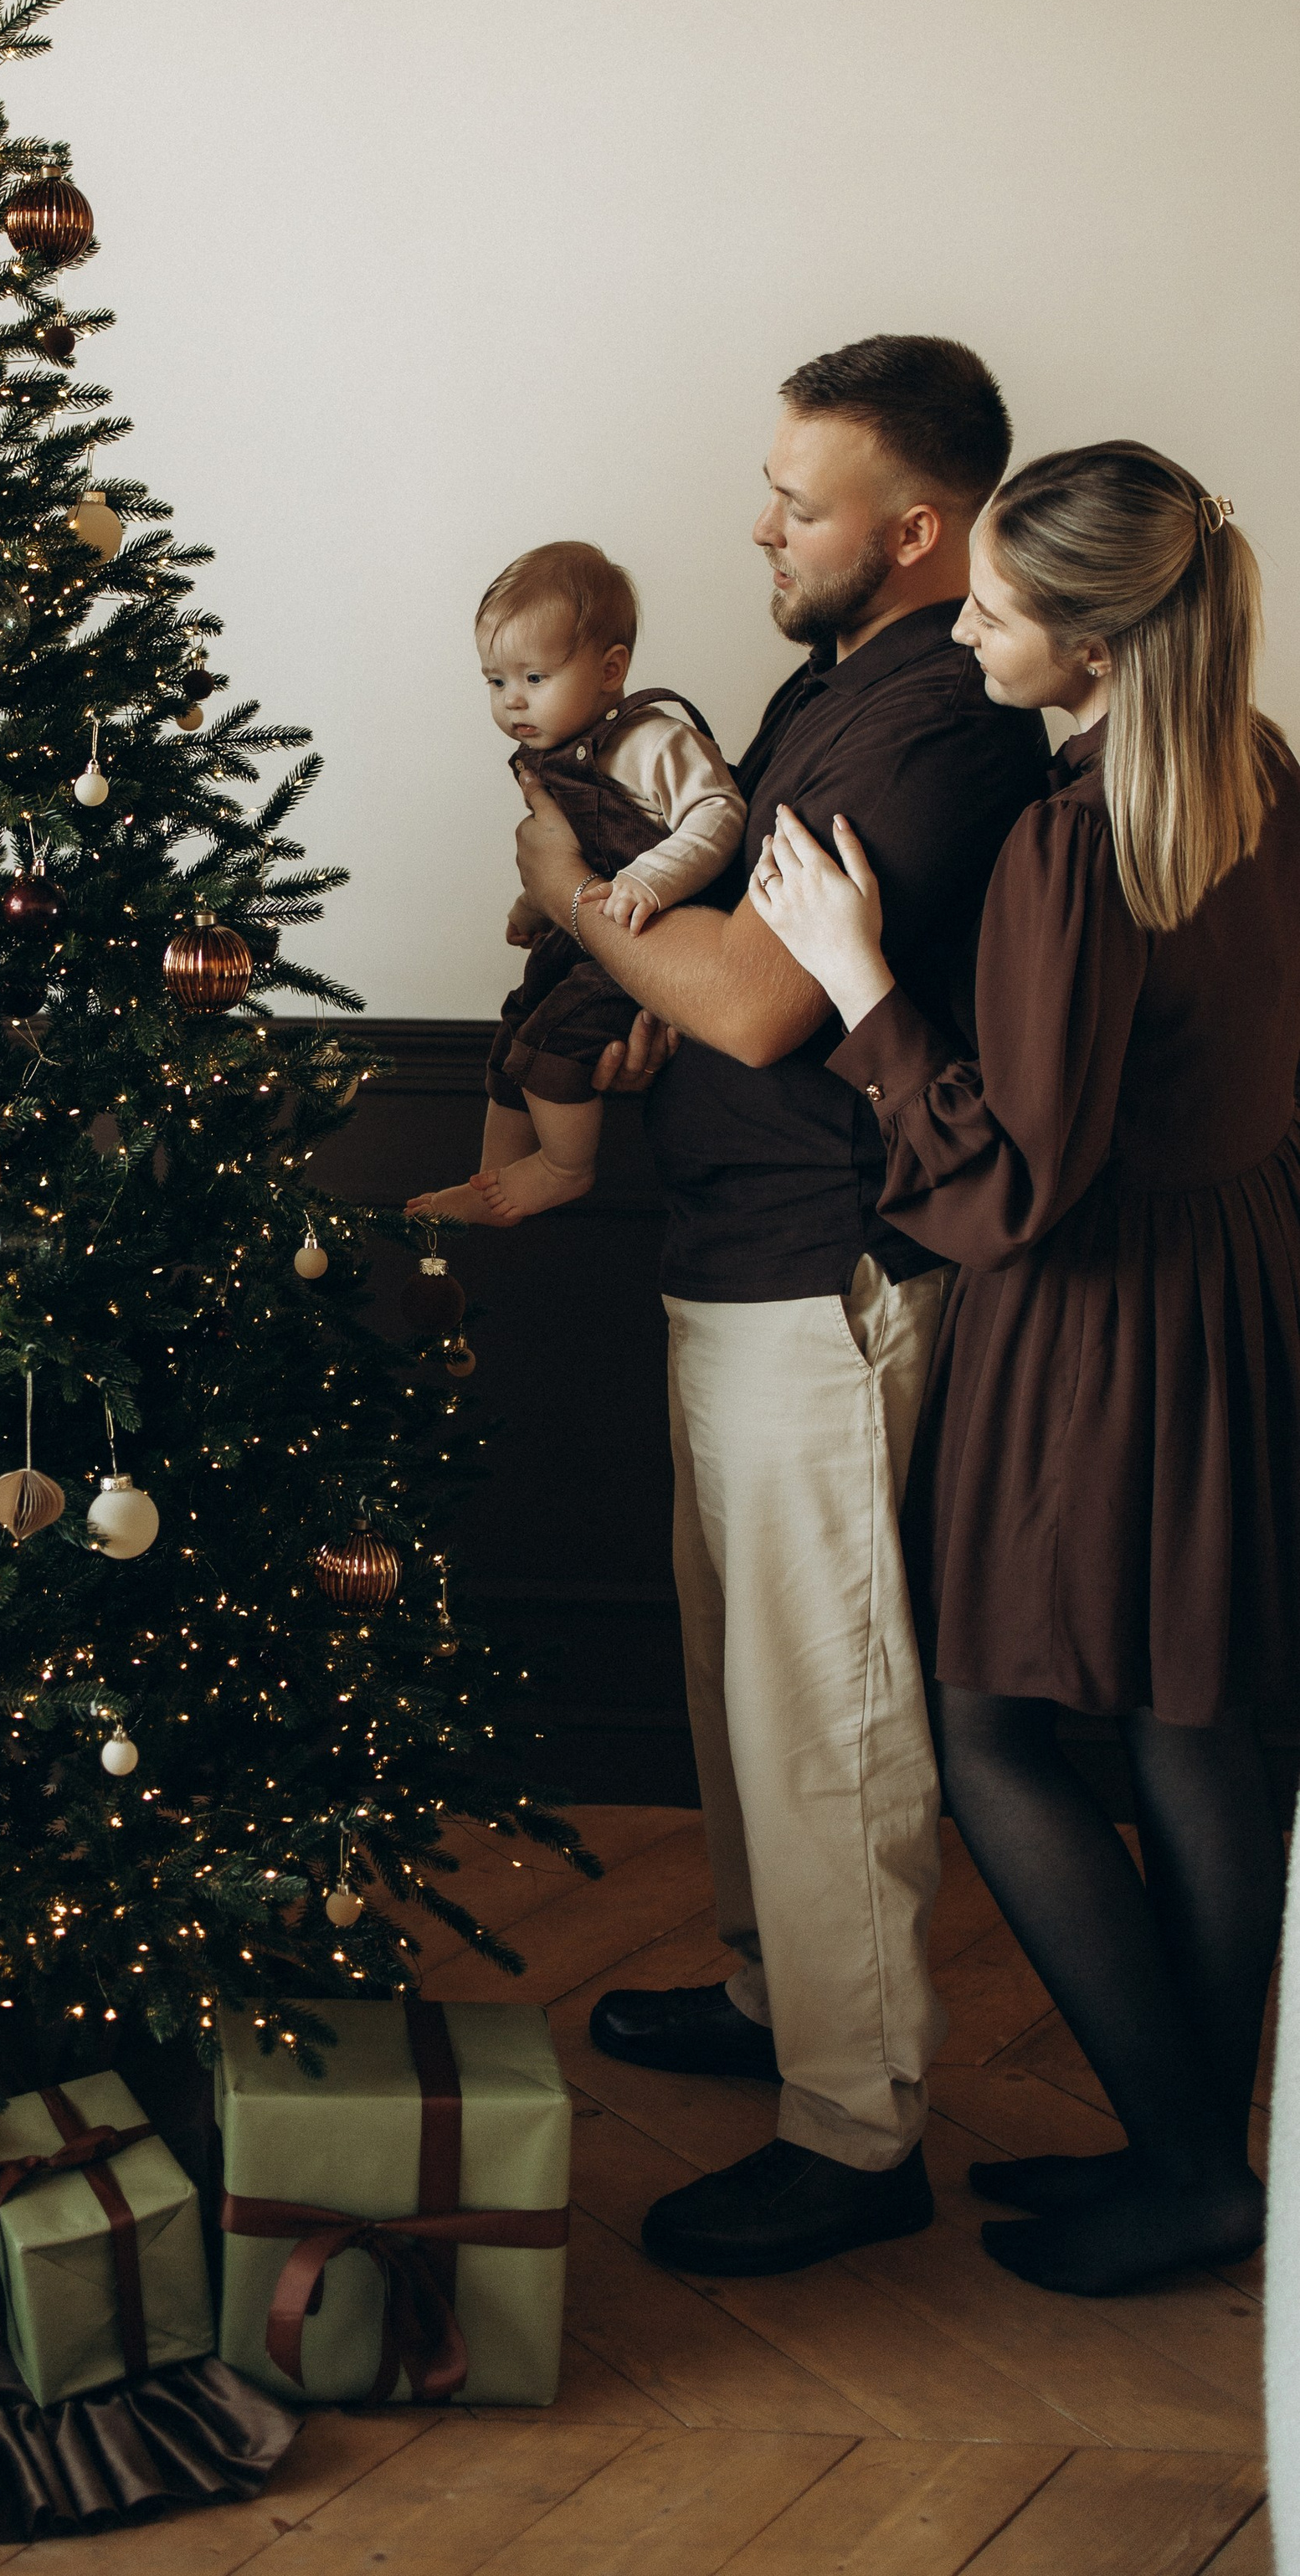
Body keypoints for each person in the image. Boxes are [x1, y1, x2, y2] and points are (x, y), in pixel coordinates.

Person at [513, 335, 1051, 2278]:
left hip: (823, 1276)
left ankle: (855, 2123)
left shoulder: (928, 724)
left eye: (794, 496)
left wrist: (574, 902)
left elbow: (750, 996)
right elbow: (729, 967)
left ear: (911, 528)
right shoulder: (836, 684)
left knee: (818, 1706)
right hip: (724, 1248)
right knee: (732, 1678)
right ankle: (767, 2001)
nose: (757, 520)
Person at [750, 440, 1297, 2298]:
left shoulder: (1075, 843)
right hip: (1235, 1283)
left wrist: (852, 979)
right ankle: (1195, 2158)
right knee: (1192, 1723)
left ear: (1085, 643)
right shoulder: (1257, 772)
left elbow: (1008, 1180)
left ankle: (1183, 2166)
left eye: (988, 608)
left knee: (991, 1726)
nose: (961, 631)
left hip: (1098, 1322)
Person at [410, 539, 743, 1223]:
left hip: (653, 936)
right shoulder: (553, 757)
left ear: (610, 669)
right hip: (586, 923)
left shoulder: (653, 741)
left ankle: (566, 1167)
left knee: (555, 1039)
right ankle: (492, 1179)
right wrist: (532, 904)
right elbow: (566, 853)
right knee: (518, 1022)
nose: (512, 702)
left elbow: (719, 814)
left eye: (534, 678)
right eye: (495, 682)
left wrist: (650, 880)